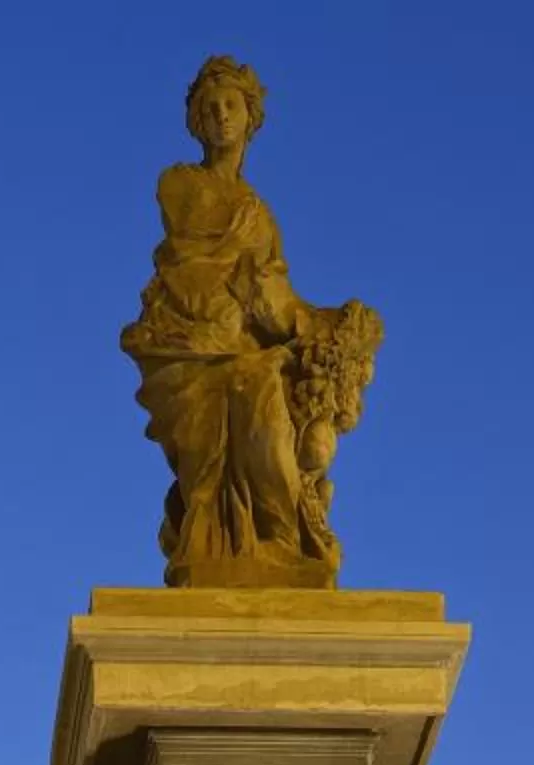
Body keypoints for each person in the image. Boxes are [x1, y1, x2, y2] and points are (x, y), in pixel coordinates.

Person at [123, 56, 380, 587]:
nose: (220, 115)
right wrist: (240, 270)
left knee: (263, 391)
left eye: (230, 106)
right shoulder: (178, 183)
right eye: (209, 107)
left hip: (245, 351)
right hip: (189, 352)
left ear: (249, 118)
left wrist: (322, 323)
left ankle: (280, 540)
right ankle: (217, 543)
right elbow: (194, 261)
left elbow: (273, 298)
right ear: (196, 121)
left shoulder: (261, 215)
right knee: (219, 435)